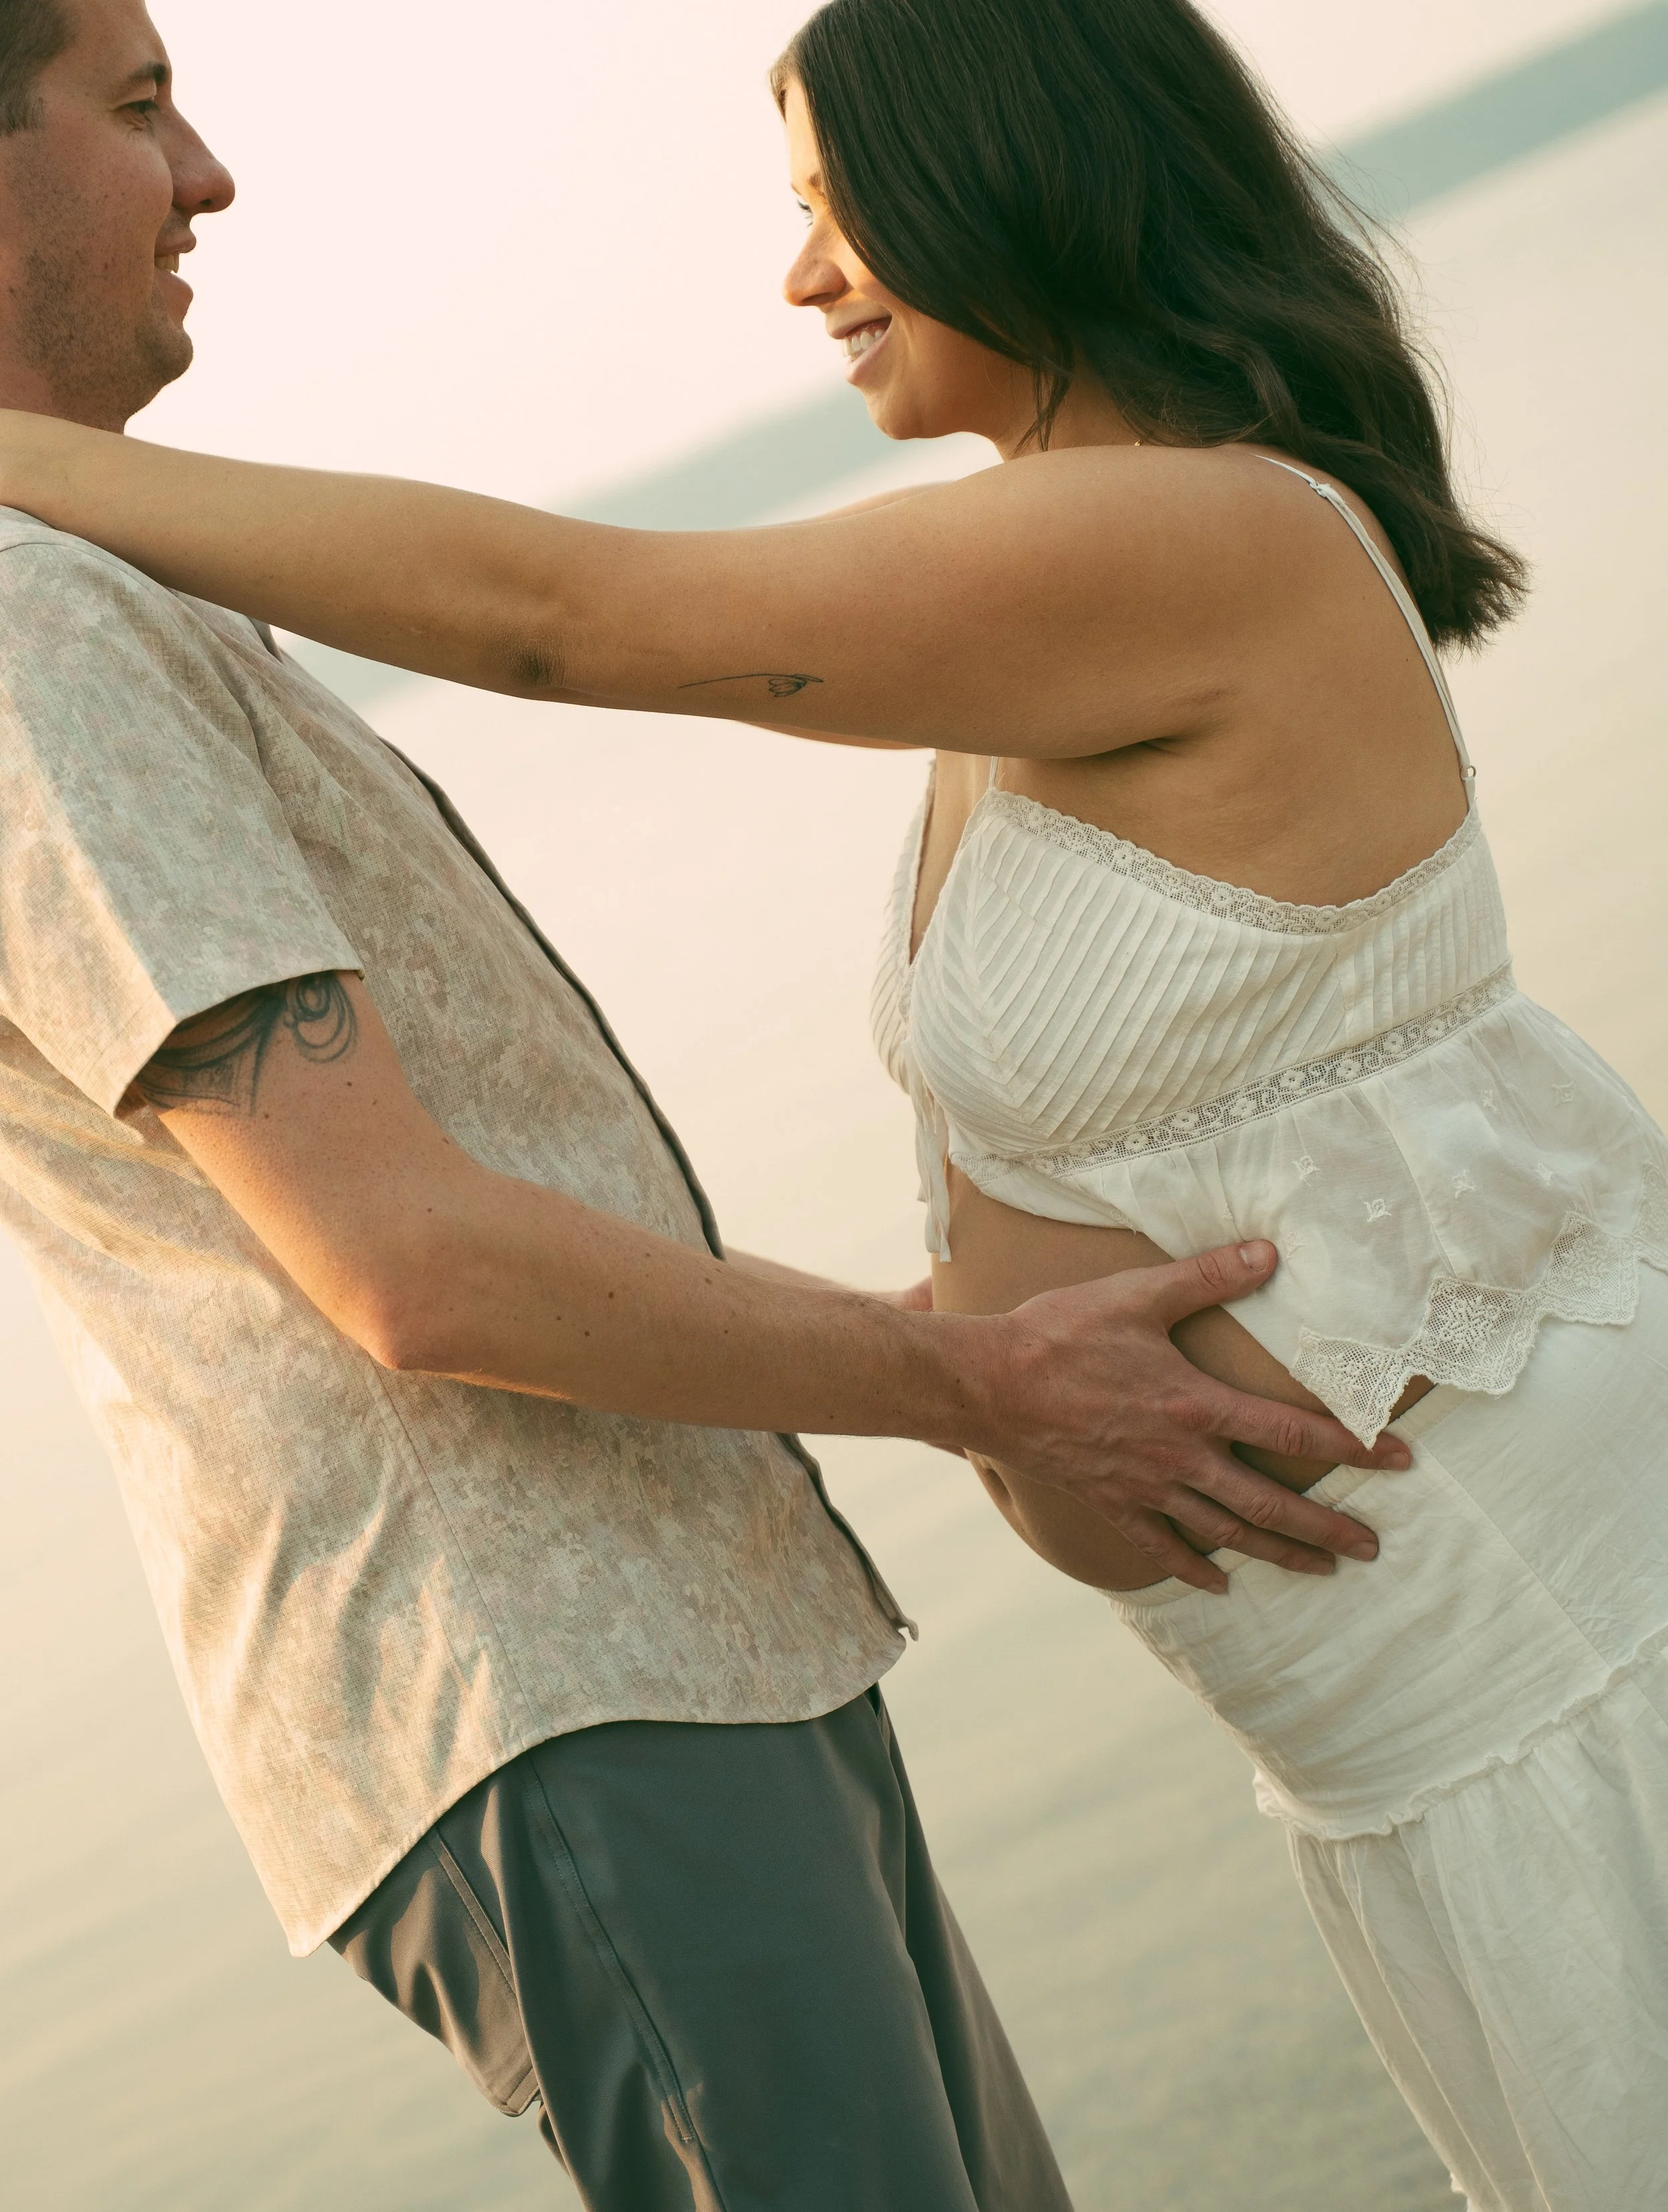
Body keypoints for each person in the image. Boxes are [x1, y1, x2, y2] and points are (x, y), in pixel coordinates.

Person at [14, 0, 1665, 2202]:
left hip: (1527, 1621)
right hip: (1345, 1686)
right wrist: (967, 1368)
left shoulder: (1178, 543)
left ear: (1015, 170)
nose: (802, 277)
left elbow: (557, 613)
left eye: (828, 205)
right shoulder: (1037, 580)